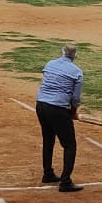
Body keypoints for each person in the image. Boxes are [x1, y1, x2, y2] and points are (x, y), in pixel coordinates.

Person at [35, 44, 84, 192]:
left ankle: (48, 174)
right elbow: (75, 98)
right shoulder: (77, 72)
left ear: (62, 53)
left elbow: (48, 82)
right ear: (75, 56)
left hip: (41, 105)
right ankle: (65, 181)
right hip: (58, 109)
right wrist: (73, 112)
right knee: (70, 145)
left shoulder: (50, 64)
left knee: (48, 140)